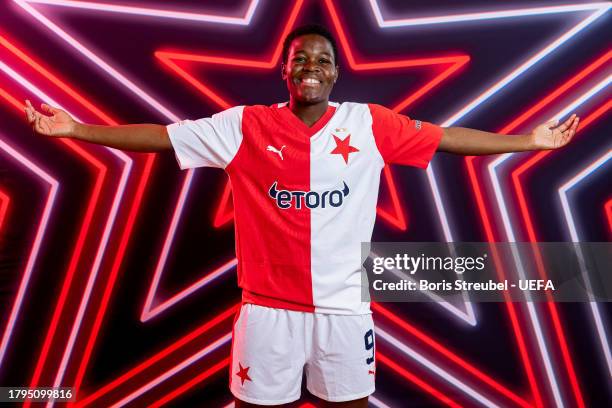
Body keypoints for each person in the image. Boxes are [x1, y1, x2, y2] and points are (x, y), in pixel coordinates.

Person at [25, 24, 578, 408]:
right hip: (267, 312)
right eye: (301, 59)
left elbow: (450, 138)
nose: (311, 67)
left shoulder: (369, 125)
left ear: (336, 74)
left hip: (344, 310)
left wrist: (529, 140)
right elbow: (161, 137)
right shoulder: (243, 126)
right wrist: (75, 129)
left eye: (322, 60)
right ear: (283, 71)